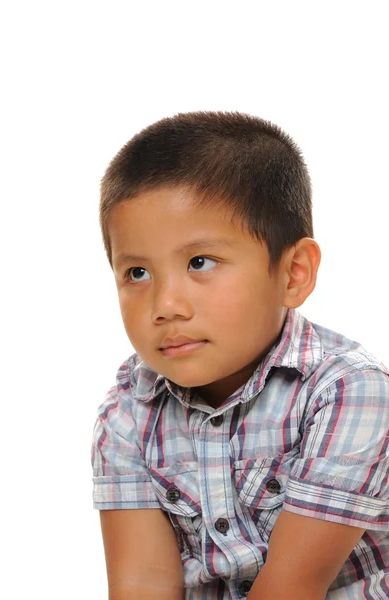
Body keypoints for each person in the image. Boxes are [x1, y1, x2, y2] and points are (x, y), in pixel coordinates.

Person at [91, 111, 389, 600]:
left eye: (200, 263)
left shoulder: (350, 392)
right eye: (137, 273)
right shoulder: (128, 415)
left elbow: (291, 589)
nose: (165, 306)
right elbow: (142, 585)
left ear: (293, 273)